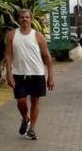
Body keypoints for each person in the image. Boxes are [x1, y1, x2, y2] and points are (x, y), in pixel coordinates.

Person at [5, 9, 54, 141]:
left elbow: (47, 57)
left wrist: (50, 77)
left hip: (37, 73)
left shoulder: (38, 36)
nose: (24, 19)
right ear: (18, 19)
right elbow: (8, 55)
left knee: (35, 101)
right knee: (21, 101)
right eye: (22, 17)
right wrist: (8, 73)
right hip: (19, 74)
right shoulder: (11, 35)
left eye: (27, 17)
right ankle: (25, 118)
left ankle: (31, 129)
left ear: (31, 19)